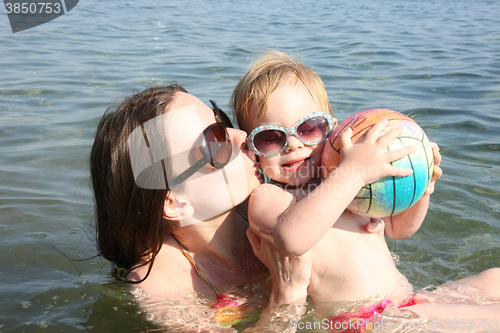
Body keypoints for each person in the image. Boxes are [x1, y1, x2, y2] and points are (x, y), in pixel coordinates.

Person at [231, 50, 500, 330]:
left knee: (495, 278)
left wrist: (422, 188)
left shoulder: (340, 183)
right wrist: (353, 172)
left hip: (406, 304)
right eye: (271, 138)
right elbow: (292, 239)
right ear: (252, 150)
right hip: (366, 321)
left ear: (333, 130)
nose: (294, 144)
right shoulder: (270, 198)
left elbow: (399, 229)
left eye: (309, 127)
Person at [90, 84, 311, 332]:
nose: (242, 135)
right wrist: (287, 296)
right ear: (173, 203)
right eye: (216, 140)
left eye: (222, 120)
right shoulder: (160, 285)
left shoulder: (269, 207)